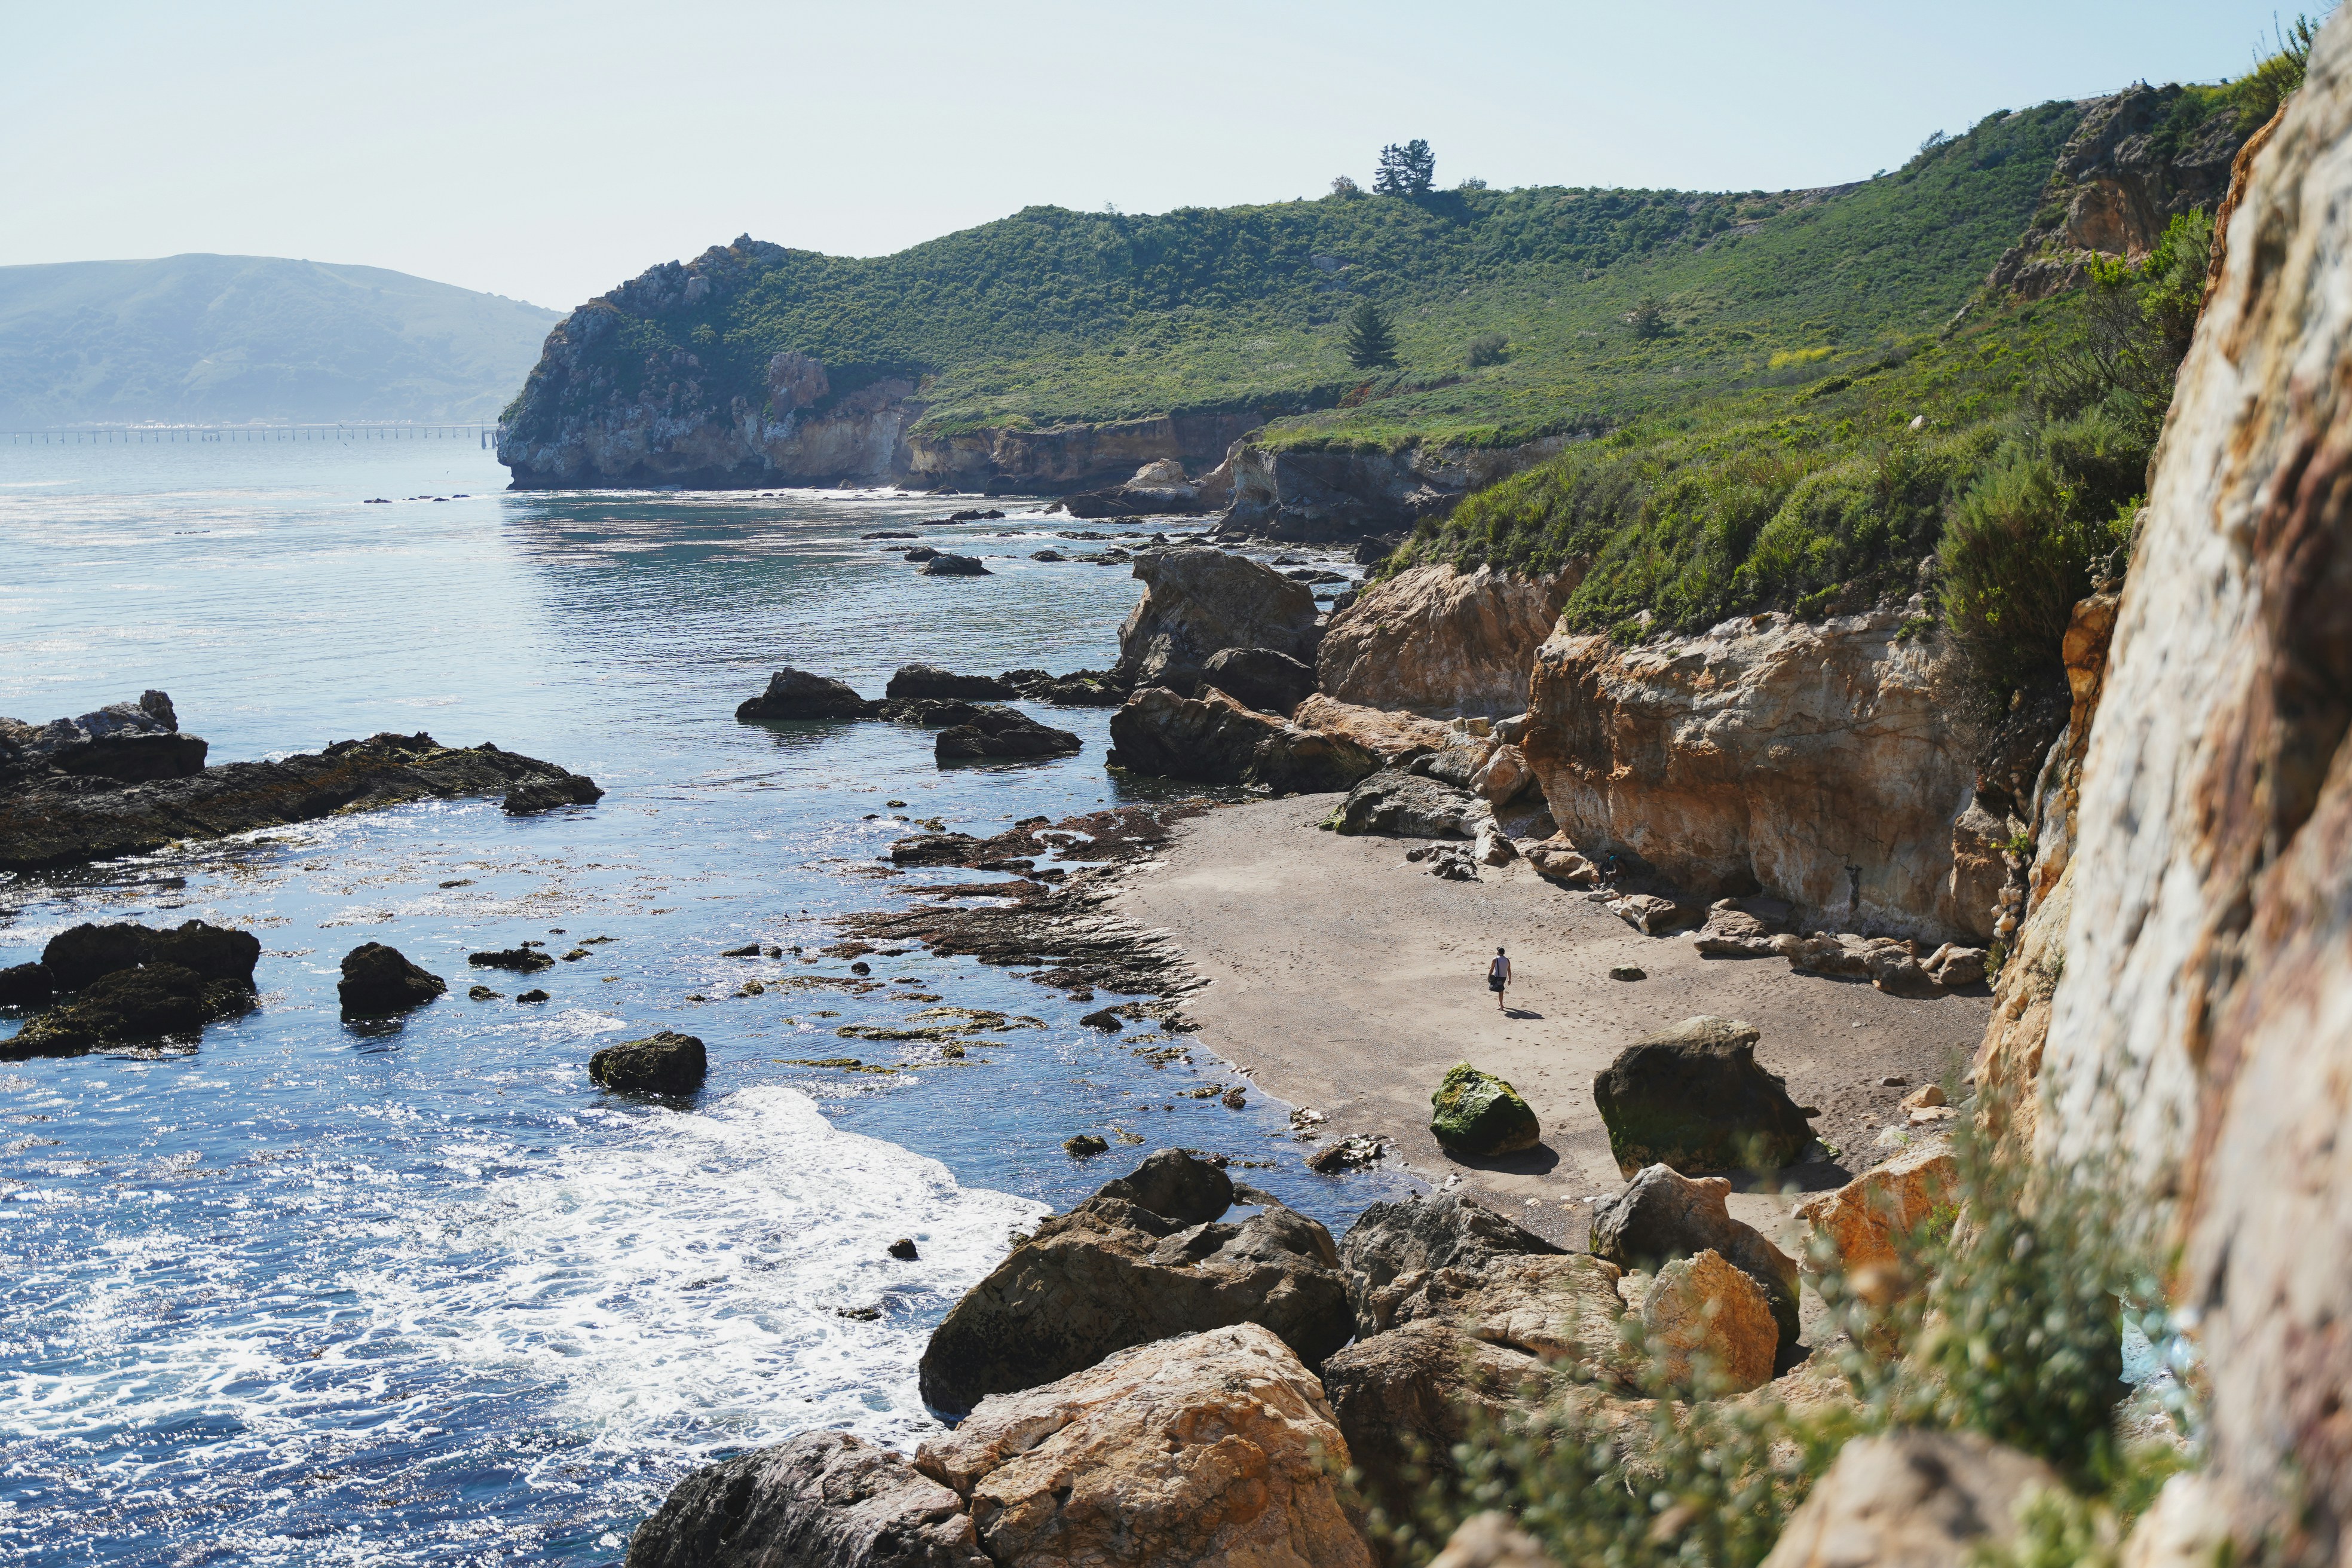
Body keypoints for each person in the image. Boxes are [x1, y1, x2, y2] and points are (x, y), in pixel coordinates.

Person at [1488, 945, 1512, 1011]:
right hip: (1504, 977)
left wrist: (1489, 975)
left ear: (1498, 953)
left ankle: (1501, 1006)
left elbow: (1492, 969)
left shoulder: (1495, 959)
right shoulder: (1507, 960)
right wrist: (1509, 979)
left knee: (1500, 991)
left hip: (1497, 977)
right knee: (1501, 990)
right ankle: (1500, 1003)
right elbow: (1509, 970)